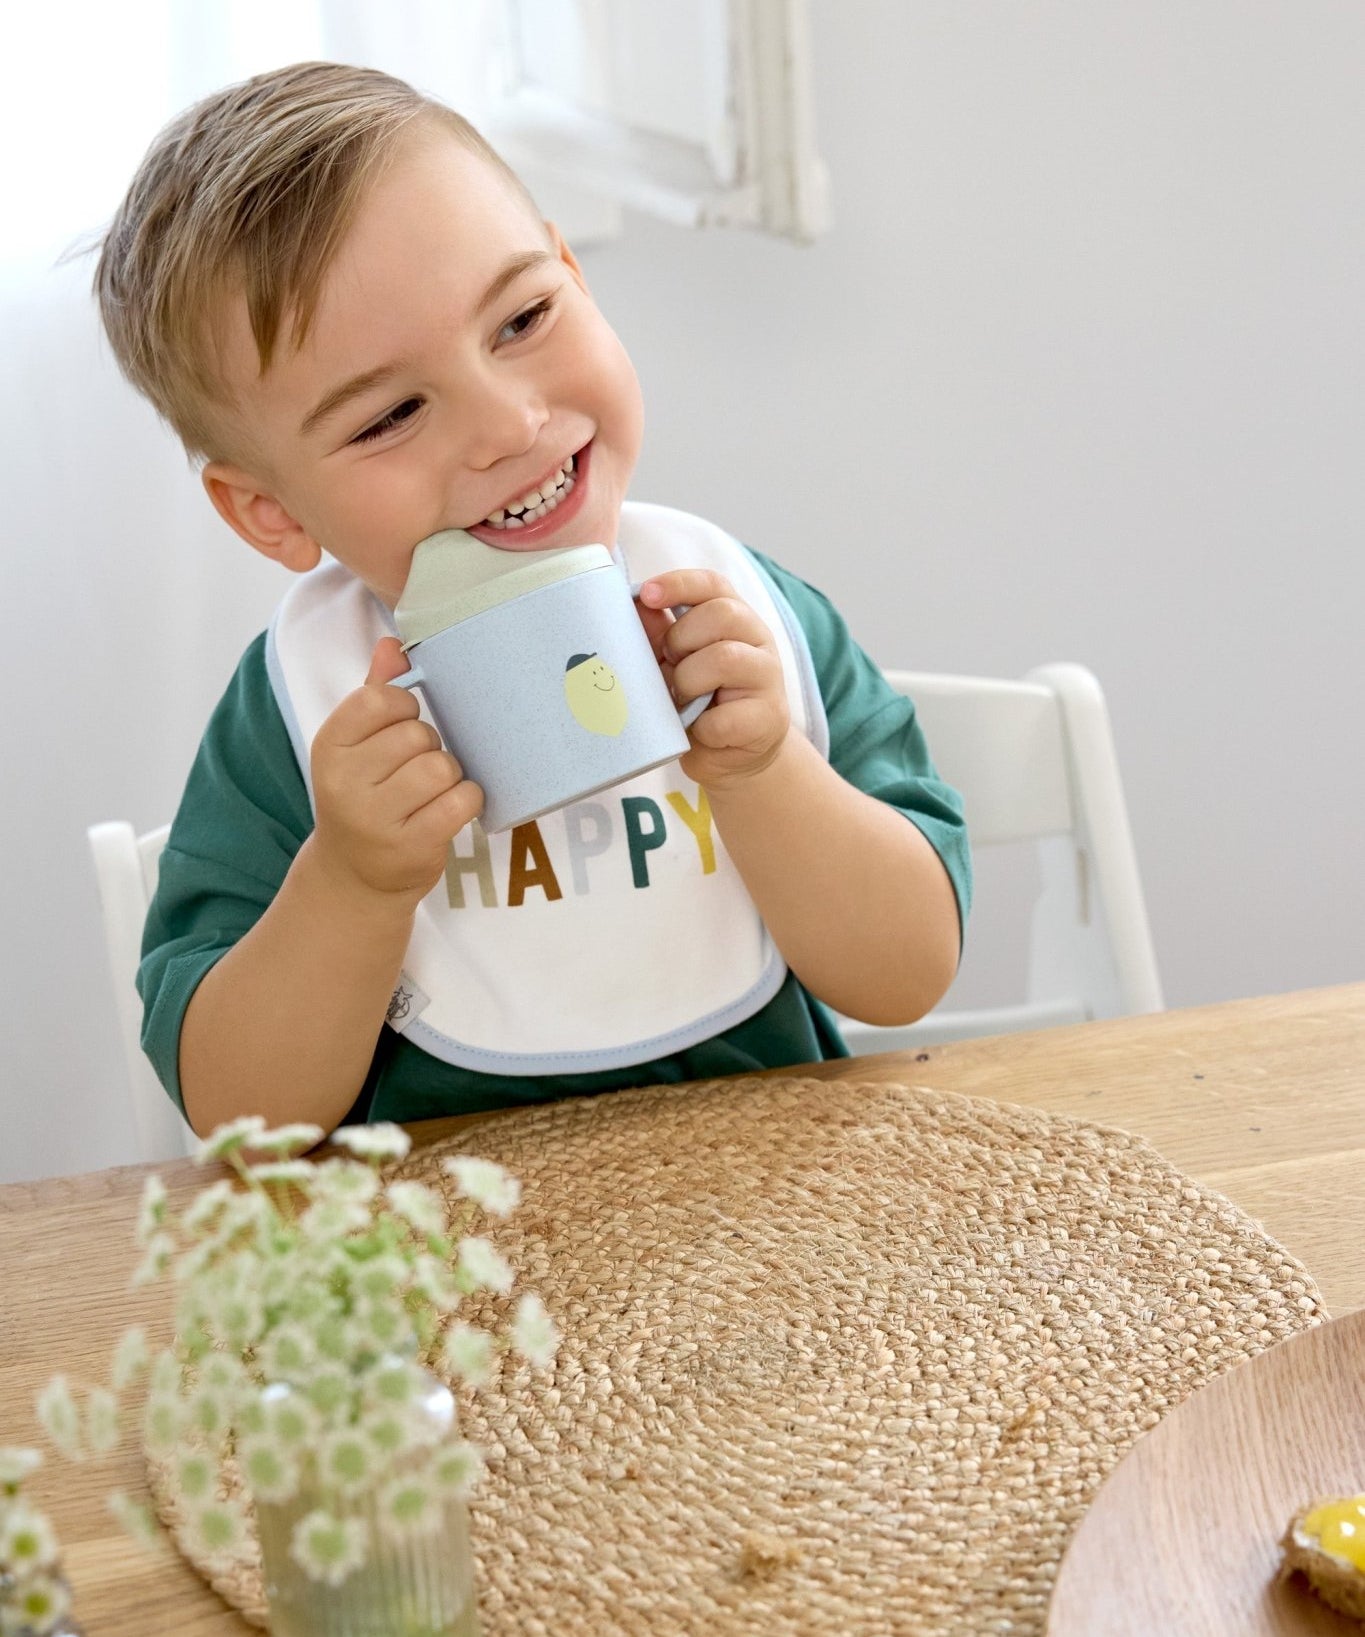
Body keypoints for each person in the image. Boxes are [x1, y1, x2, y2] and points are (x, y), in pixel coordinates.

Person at [97, 62, 972, 1138]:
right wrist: (354, 882)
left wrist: (767, 770)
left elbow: (909, 972)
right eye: (391, 415)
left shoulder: (740, 613)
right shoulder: (306, 704)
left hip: (776, 1220)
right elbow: (241, 1114)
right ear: (271, 511)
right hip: (449, 1259)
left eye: (520, 319)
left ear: (574, 273)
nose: (508, 424)